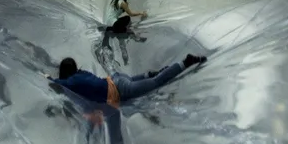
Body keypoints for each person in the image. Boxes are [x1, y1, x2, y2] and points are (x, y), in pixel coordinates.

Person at [49, 54, 207, 106]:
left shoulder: (71, 82)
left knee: (157, 82)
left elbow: (55, 83)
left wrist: (45, 76)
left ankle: (186, 62)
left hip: (120, 89)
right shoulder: (81, 73)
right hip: (115, 78)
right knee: (134, 80)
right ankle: (149, 74)